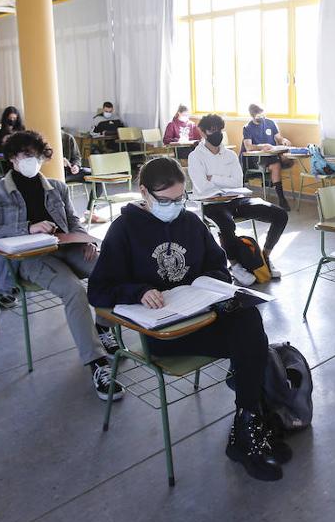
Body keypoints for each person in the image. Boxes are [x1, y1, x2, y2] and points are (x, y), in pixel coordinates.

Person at [87, 157, 290, 481]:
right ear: (143, 192)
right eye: (164, 200)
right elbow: (98, 291)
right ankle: (248, 428)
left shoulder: (191, 223)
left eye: (179, 199)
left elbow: (217, 266)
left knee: (249, 320)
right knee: (250, 344)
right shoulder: (124, 229)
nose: (173, 207)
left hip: (200, 314)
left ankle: (247, 420)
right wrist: (138, 291)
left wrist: (206, 282)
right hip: (164, 333)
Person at [0, 130, 125, 401]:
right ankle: (97, 363)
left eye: (38, 156)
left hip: (66, 247)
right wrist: (27, 228)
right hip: (29, 258)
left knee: (111, 270)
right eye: (26, 155)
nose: (33, 161)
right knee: (74, 291)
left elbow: (73, 221)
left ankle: (103, 326)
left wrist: (86, 240)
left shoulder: (57, 187)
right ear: (12, 158)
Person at [190, 114, 289, 284]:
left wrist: (212, 177)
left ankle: (263, 257)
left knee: (280, 215)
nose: (216, 134)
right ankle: (235, 265)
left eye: (219, 130)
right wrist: (223, 182)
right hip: (212, 203)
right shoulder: (196, 156)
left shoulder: (229, 154)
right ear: (203, 132)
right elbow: (202, 187)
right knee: (226, 224)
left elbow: (237, 182)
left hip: (237, 198)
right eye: (211, 130)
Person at [241, 103, 293, 210]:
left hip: (272, 155)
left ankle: (274, 177)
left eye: (262, 114)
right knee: (276, 165)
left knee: (287, 157)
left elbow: (279, 138)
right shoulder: (248, 128)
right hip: (258, 159)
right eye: (258, 115)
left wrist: (284, 140)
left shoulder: (270, 123)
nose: (261, 117)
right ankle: (281, 198)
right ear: (252, 115)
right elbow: (248, 147)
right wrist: (261, 146)